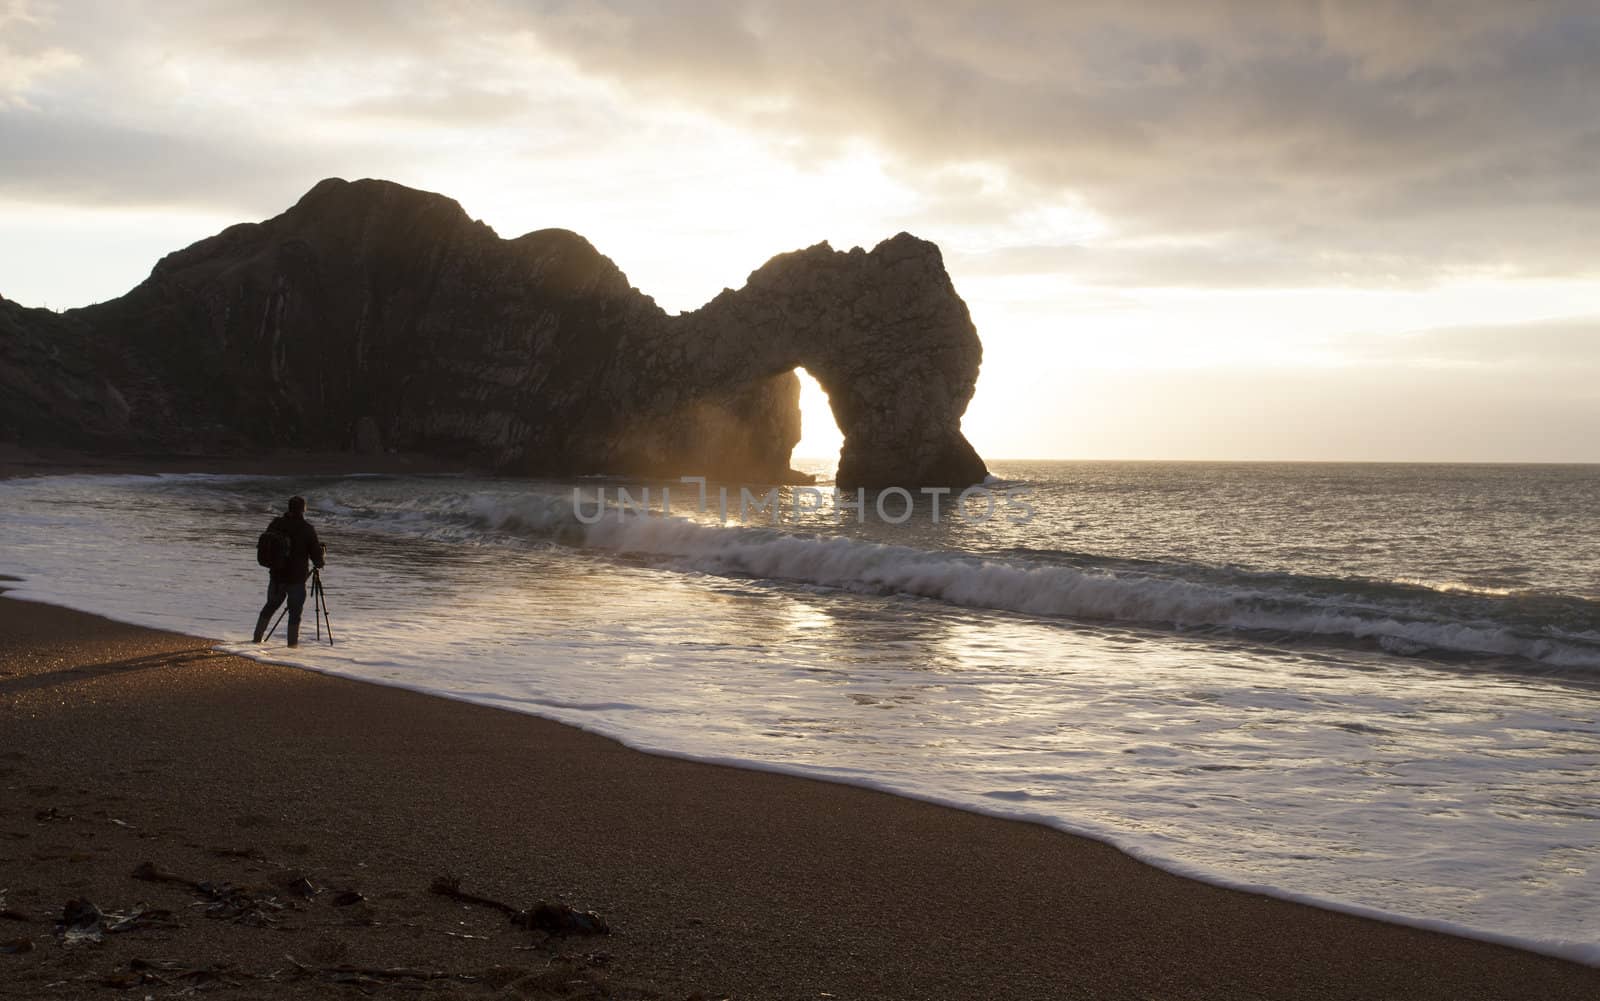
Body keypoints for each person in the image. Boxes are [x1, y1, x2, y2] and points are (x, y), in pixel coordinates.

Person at [252, 495, 326, 647]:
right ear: (304, 509)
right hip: (296, 578)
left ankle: (256, 639)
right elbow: (317, 559)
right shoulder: (307, 529)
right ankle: (292, 646)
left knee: (270, 606)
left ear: (289, 507)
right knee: (295, 613)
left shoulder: (275, 524)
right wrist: (321, 555)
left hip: (276, 575)